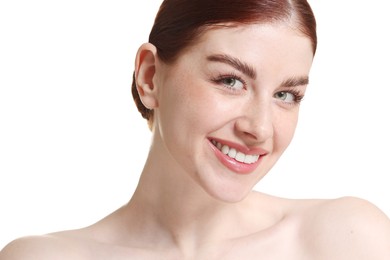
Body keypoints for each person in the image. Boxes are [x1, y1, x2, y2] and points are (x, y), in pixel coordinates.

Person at [1, 0, 389, 259]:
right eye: (230, 81)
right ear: (150, 77)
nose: (260, 127)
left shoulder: (346, 239)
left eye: (286, 94)